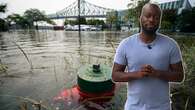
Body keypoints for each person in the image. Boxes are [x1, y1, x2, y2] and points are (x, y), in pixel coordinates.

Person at [112, 3, 184, 110]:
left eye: (156, 17)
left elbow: (179, 76)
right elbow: (115, 75)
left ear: (159, 21)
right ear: (140, 18)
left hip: (162, 107)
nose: (151, 20)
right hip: (133, 107)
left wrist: (157, 73)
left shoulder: (171, 44)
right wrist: (137, 74)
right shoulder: (125, 44)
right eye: (148, 15)